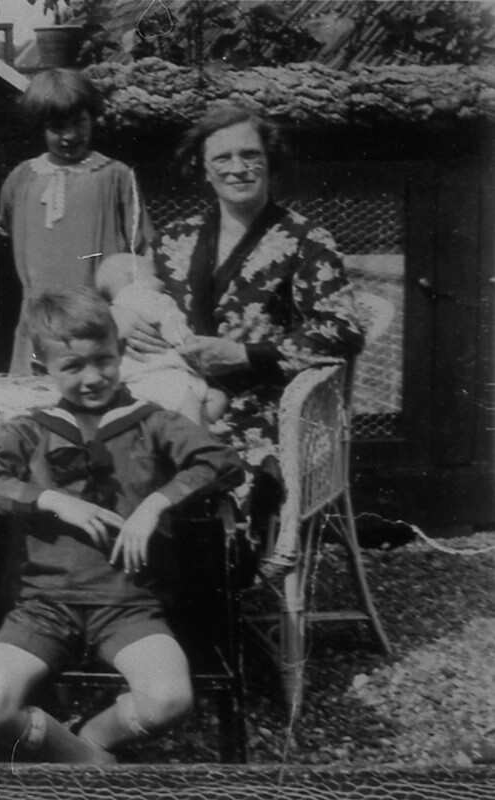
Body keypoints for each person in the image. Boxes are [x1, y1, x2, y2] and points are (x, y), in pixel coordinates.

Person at [0, 288, 242, 763]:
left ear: (120, 353)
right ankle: (83, 760)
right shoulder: (30, 428)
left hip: (129, 604)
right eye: (72, 367)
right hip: (44, 604)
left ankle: (98, 736)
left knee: (170, 699)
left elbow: (222, 461)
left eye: (104, 360)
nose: (92, 378)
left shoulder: (152, 422)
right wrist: (51, 500)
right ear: (42, 368)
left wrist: (157, 503)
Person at [122, 104, 365, 567]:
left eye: (250, 155)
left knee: (199, 469)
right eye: (223, 159)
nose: (238, 168)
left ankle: (205, 604)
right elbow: (138, 298)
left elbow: (343, 330)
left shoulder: (306, 240)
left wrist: (248, 353)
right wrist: (125, 321)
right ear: (203, 170)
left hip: (261, 409)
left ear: (270, 161)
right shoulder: (175, 239)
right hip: (174, 393)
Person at [0, 68, 153, 376]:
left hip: (95, 316)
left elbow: (143, 248)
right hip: (38, 316)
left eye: (79, 123)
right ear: (41, 127)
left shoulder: (115, 175)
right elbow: (6, 232)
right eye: (57, 127)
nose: (70, 136)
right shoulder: (22, 177)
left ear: (91, 118)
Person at [94, 253, 228, 425]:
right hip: (163, 375)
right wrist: (188, 340)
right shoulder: (147, 297)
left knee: (210, 399)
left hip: (140, 381)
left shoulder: (115, 309)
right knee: (200, 403)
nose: (163, 283)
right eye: (155, 276)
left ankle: (195, 431)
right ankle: (195, 440)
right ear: (131, 276)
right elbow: (171, 325)